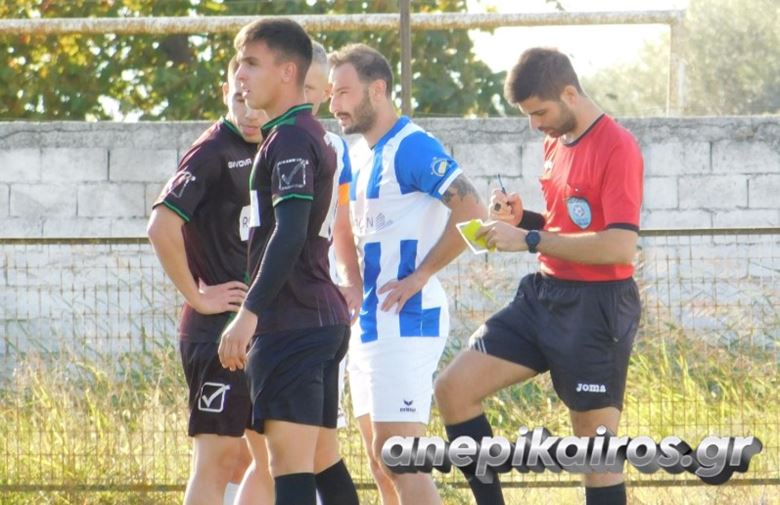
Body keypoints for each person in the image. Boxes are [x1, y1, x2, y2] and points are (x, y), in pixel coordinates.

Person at [434, 47, 644, 505]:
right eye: (528, 115)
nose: (534, 125)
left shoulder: (618, 146)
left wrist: (529, 240)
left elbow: (618, 245)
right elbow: (569, 224)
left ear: (569, 93)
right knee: (453, 388)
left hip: (597, 307)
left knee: (595, 455)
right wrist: (524, 220)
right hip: (543, 295)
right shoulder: (554, 141)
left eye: (539, 112)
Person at [328, 43, 487, 505]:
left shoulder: (412, 145)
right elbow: (343, 227)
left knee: (399, 458)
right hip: (369, 323)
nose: (334, 104)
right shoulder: (358, 154)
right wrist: (352, 283)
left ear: (377, 90)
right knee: (380, 464)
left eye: (343, 92)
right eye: (331, 94)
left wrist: (421, 274)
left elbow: (474, 212)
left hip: (408, 319)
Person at [217, 19, 359, 505]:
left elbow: (291, 233)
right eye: (240, 64)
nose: (240, 75)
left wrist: (248, 312)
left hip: (294, 322)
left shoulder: (292, 139)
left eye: (252, 63)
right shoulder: (297, 134)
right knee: (322, 459)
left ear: (287, 72)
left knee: (289, 470)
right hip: (317, 318)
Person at [147, 56, 273, 505]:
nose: (249, 111)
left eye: (255, 100)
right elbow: (161, 226)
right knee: (217, 462)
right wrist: (198, 297)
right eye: (239, 99)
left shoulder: (275, 148)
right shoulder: (211, 151)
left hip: (261, 330)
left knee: (266, 462)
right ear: (225, 95)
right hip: (217, 333)